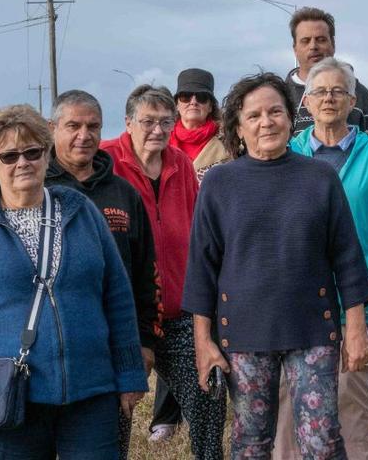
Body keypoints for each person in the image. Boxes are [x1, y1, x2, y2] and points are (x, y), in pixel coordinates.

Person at [0, 104, 148, 459]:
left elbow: (117, 297)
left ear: (47, 155)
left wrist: (129, 374)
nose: (22, 162)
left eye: (32, 152)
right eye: (9, 155)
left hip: (90, 391)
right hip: (5, 398)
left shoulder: (80, 211)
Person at [182, 72, 368, 459]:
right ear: (237, 126)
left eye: (275, 112)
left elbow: (348, 258)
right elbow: (202, 269)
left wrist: (355, 328)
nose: (266, 122)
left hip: (313, 330)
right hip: (244, 334)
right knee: (251, 443)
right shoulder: (219, 183)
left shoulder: (320, 177)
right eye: (253, 116)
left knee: (321, 441)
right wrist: (203, 343)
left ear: (290, 118)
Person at [102, 85, 226, 459]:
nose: (157, 129)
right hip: (124, 315)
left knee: (208, 395)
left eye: (165, 122)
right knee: (115, 410)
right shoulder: (105, 160)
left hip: (178, 308)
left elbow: (196, 230)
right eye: (147, 121)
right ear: (128, 122)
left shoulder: (180, 164)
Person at [45, 89, 162, 458]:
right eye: (73, 126)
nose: (84, 135)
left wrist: (145, 343)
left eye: (93, 126)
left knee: (107, 447)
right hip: (46, 350)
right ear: (53, 129)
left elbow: (146, 273)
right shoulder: (34, 189)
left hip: (112, 348)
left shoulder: (123, 193)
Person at [289, 57, 368, 459]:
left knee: (353, 399)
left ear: (353, 101)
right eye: (319, 91)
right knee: (295, 399)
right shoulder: (291, 153)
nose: (328, 98)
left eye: (338, 91)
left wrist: (366, 274)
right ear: (306, 101)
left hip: (354, 296)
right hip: (299, 300)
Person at [149, 68, 231, 442]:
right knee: (174, 328)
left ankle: (212, 402)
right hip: (174, 244)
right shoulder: (161, 140)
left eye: (200, 97)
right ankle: (166, 415)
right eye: (185, 97)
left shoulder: (228, 141)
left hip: (218, 242)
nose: (192, 103)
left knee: (205, 327)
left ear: (212, 103)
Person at [285, 6, 368, 139]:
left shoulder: (361, 95)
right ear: (295, 48)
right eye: (305, 41)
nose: (313, 46)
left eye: (321, 40)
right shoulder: (280, 97)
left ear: (333, 44)